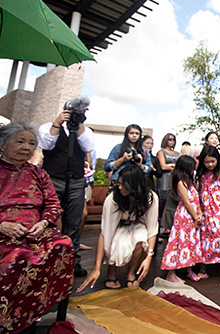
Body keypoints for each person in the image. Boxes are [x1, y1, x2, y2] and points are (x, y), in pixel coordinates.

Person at [0, 123, 74, 333]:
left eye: (31, 143)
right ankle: (9, 319)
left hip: (36, 230)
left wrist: (43, 223)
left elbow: (53, 204)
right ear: (3, 145)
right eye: (20, 141)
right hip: (4, 232)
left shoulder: (38, 174)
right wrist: (2, 225)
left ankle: (32, 313)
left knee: (63, 244)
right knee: (18, 257)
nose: (27, 147)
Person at [77, 165, 159, 291]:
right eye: (119, 183)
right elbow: (105, 233)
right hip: (118, 225)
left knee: (140, 239)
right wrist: (96, 269)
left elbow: (152, 228)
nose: (120, 187)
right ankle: (111, 272)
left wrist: (149, 257)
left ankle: (131, 273)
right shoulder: (113, 199)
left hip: (137, 224)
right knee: (115, 241)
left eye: (124, 185)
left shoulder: (150, 198)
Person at [38, 96, 95, 277]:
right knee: (49, 219)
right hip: (52, 179)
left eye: (83, 113)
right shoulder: (48, 126)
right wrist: (57, 123)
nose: (80, 115)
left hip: (76, 180)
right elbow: (46, 144)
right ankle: (46, 257)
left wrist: (78, 126)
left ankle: (72, 261)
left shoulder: (84, 130)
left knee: (73, 221)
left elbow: (88, 147)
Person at [196, 145, 220, 287]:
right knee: (203, 237)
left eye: (213, 161)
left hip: (217, 211)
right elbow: (199, 192)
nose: (210, 164)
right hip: (205, 212)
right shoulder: (201, 175)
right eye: (207, 162)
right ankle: (203, 268)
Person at [161, 155, 203, 283]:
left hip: (193, 215)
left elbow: (196, 201)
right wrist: (196, 217)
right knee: (180, 242)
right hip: (185, 216)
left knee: (191, 242)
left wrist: (199, 213)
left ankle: (189, 270)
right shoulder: (180, 182)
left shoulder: (190, 182)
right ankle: (171, 273)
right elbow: (187, 202)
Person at [105, 124, 151, 188]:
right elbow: (107, 167)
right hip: (118, 181)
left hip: (136, 182)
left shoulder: (144, 150)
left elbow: (148, 170)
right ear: (127, 134)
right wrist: (122, 159)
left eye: (137, 133)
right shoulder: (118, 148)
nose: (134, 135)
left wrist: (140, 165)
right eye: (131, 133)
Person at [156, 133, 179, 236]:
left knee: (172, 205)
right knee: (162, 205)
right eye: (169, 139)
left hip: (174, 181)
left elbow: (180, 167)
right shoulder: (161, 152)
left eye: (173, 139)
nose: (171, 141)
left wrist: (171, 165)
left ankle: (170, 228)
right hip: (163, 182)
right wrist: (173, 166)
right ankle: (161, 230)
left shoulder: (177, 153)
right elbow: (163, 166)